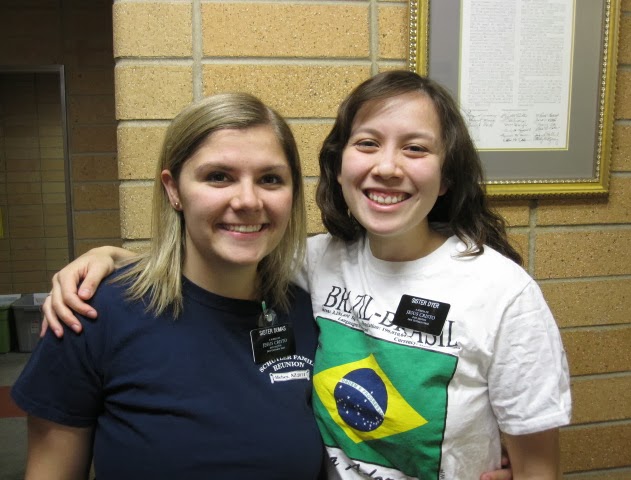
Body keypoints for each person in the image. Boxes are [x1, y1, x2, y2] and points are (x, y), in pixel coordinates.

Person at [41, 71, 570, 479]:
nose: (388, 167)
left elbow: (537, 464)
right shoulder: (317, 263)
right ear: (338, 167)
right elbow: (213, 259)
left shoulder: (502, 293)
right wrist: (109, 257)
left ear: (447, 174)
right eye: (368, 143)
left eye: (415, 148)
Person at [11, 92, 325, 479]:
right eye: (219, 177)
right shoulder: (92, 314)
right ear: (174, 189)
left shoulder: (311, 314)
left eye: (270, 179)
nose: (248, 200)